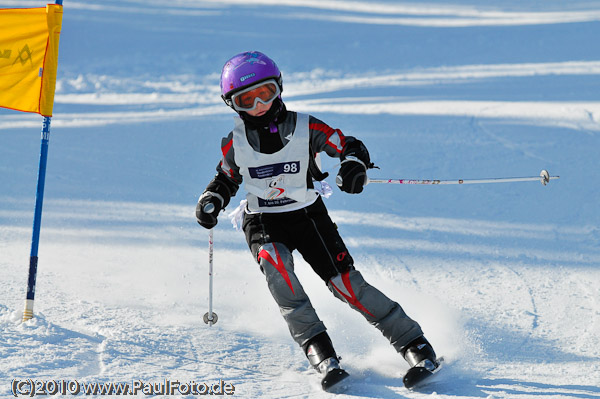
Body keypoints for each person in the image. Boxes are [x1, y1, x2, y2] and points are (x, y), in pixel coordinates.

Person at [196, 51, 438, 390]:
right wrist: (212, 200)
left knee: (346, 286)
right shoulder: (234, 143)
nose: (258, 106)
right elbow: (225, 178)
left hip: (308, 216)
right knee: (277, 267)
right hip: (263, 219)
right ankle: (322, 354)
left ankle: (415, 345)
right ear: (232, 105)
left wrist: (353, 165)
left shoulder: (305, 127)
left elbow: (347, 145)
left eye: (264, 93)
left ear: (278, 88)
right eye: (246, 100)